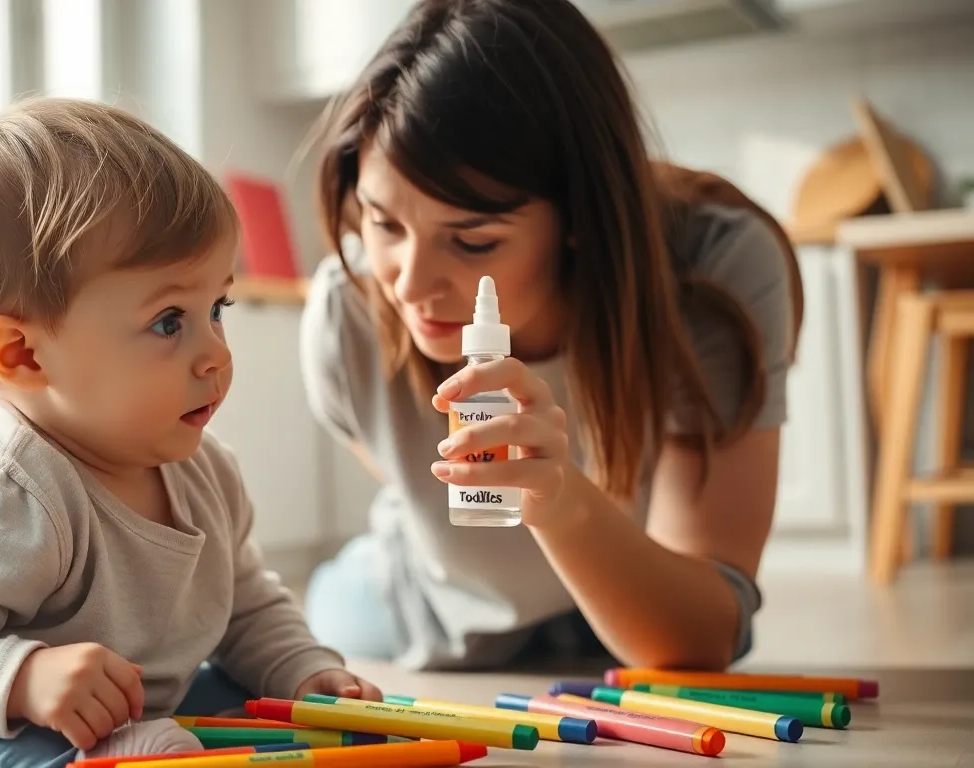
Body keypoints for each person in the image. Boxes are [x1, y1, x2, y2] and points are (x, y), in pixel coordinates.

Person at [0, 97, 380, 768]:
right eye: (168, 322)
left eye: (216, 307)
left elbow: (245, 607)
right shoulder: (1, 492)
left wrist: (304, 673)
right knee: (19, 748)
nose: (215, 351)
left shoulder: (206, 471)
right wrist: (21, 681)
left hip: (122, 719)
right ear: (23, 355)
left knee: (251, 705)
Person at [299, 0, 803, 674]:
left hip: (633, 606)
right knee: (311, 612)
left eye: (472, 240)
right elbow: (405, 480)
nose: (411, 285)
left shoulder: (715, 271)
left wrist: (559, 500)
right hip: (424, 605)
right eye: (384, 225)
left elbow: (706, 636)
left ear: (580, 215)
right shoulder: (347, 312)